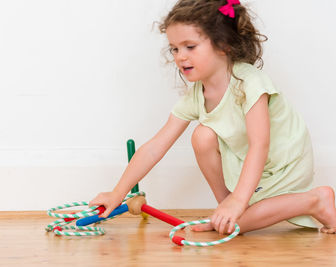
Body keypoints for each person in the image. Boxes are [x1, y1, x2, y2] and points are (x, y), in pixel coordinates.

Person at [89, 0, 336, 235]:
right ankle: (227, 207)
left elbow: (260, 145)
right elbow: (155, 147)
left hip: (284, 166)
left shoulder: (250, 82)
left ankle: (315, 200)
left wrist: (241, 200)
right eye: (174, 49)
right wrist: (117, 192)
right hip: (257, 167)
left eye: (190, 46)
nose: (180, 56)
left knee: (232, 225)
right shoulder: (197, 95)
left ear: (223, 44)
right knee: (202, 135)